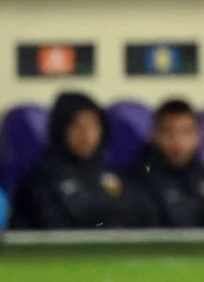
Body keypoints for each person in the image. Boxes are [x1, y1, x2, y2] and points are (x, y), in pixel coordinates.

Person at [13, 92, 134, 229]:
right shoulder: (40, 180)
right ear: (60, 129)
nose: (87, 134)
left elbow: (140, 217)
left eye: (93, 125)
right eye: (77, 125)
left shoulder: (113, 172)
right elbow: (53, 228)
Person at [127, 100, 204, 228]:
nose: (177, 141)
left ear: (199, 136)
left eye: (186, 132)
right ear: (154, 135)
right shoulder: (138, 179)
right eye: (168, 132)